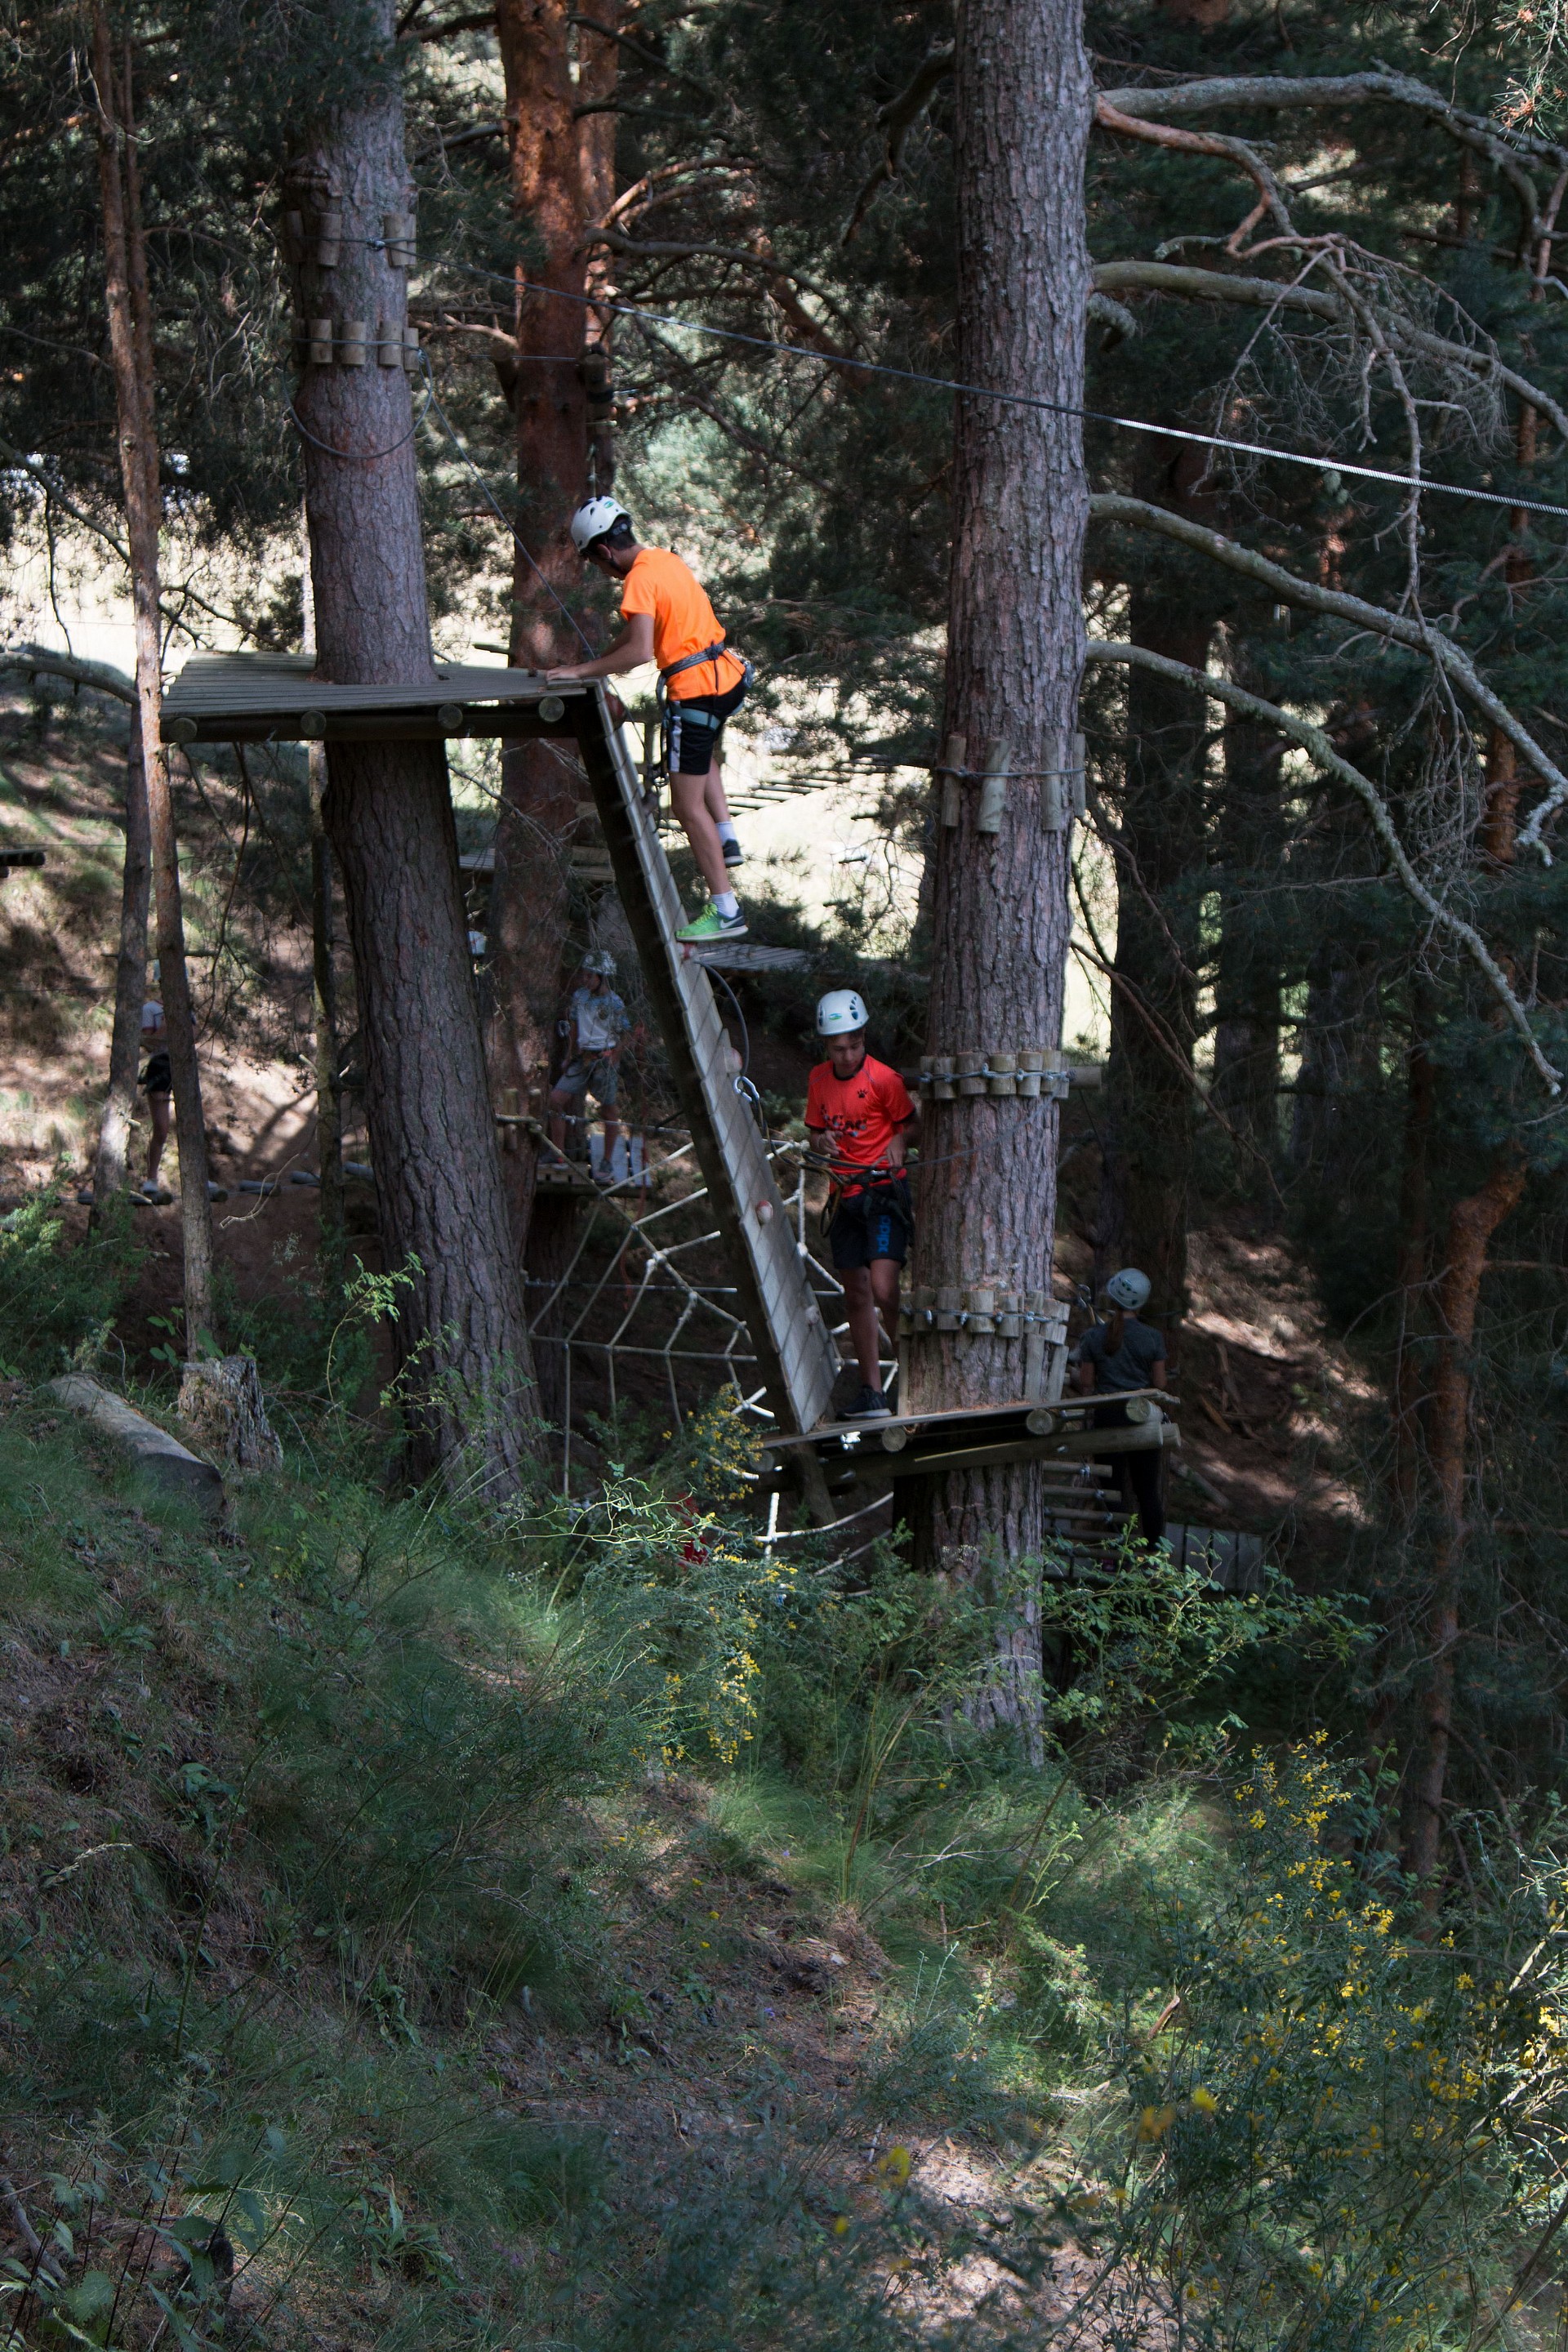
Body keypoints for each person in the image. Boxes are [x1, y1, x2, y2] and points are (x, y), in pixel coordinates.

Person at [546, 500, 749, 945]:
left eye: (594, 563)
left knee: (685, 806)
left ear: (603, 552)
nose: (601, 572)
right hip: (727, 676)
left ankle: (726, 909)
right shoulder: (663, 561)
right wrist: (597, 661)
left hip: (696, 690)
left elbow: (639, 652)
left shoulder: (636, 579)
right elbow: (641, 635)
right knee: (702, 751)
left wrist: (579, 672)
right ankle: (727, 837)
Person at [805, 989, 915, 1420]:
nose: (848, 1055)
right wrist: (822, 1141)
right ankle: (871, 1392)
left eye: (854, 1045)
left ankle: (913, 1376)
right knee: (856, 1294)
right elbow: (814, 1132)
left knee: (886, 1288)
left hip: (884, 1193)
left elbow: (912, 1126)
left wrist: (899, 1140)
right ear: (826, 1047)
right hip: (843, 1195)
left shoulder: (884, 1079)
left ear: (863, 1036)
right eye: (838, 1048)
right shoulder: (818, 1081)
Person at [1074, 1267, 1169, 1544]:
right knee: (1147, 1491)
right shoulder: (1153, 1337)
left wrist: (1074, 1374)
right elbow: (1160, 1383)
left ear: (1113, 1296)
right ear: (1141, 1302)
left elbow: (1087, 1383)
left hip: (1108, 1417)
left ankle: (1115, 1558)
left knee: (1111, 1490)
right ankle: (1154, 1558)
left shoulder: (1094, 1337)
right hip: (1143, 1417)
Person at [549, 948, 630, 1181]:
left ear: (601, 977)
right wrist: (569, 1054)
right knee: (555, 1100)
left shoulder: (614, 1002)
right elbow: (574, 1026)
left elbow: (626, 1032)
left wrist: (616, 1055)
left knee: (608, 1110)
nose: (584, 980)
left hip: (604, 1060)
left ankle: (606, 1159)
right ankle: (558, 1154)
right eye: (583, 975)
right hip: (581, 1058)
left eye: (589, 976)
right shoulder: (580, 997)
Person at [139, 998, 172, 1199]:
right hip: (160, 1065)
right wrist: (168, 1024)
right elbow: (149, 1043)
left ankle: (198, 1175)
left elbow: (194, 1035)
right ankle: (151, 1178)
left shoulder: (184, 1003)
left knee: (192, 1126)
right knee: (161, 1128)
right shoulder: (149, 1009)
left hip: (183, 1064)